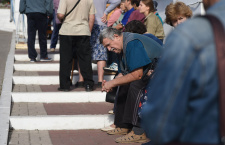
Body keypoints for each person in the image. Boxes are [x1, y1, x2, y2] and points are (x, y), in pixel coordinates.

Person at [141, 0, 223, 144]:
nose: (178, 23)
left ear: (187, 16)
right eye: (174, 21)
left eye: (181, 18)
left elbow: (160, 119)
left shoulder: (186, 38)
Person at [99, 27, 163, 143]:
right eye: (106, 47)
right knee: (123, 84)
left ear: (116, 36)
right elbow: (124, 73)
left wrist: (113, 82)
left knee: (136, 85)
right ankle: (123, 125)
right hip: (152, 71)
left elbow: (137, 75)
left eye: (109, 45)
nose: (109, 49)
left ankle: (139, 132)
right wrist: (110, 83)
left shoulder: (131, 43)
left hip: (164, 72)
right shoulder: (121, 47)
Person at [57, 0, 95, 92]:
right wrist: (88, 32)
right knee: (85, 59)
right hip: (83, 31)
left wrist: (59, 16)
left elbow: (61, 15)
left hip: (67, 31)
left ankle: (65, 85)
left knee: (66, 59)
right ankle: (88, 84)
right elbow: (92, 18)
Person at [90, 0, 120, 88]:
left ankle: (85, 79)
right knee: (101, 52)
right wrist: (106, 12)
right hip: (101, 22)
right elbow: (117, 1)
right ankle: (100, 80)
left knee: (85, 51)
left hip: (87, 23)